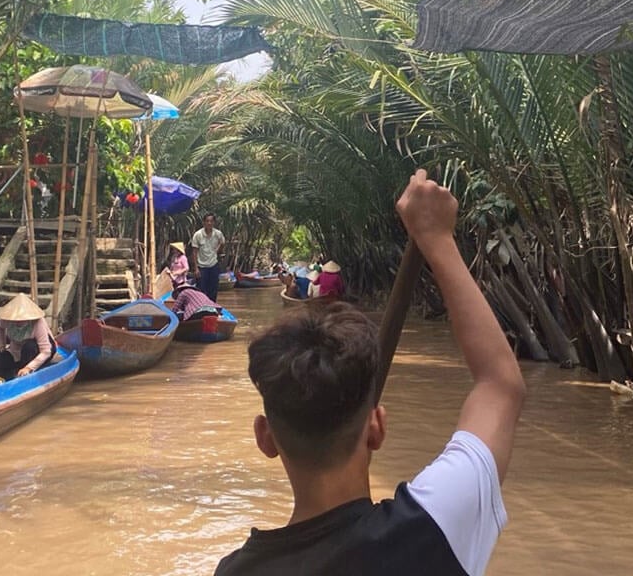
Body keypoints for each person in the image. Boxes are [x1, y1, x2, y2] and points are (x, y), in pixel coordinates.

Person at [215, 170, 525, 576]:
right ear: (377, 427)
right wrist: (437, 238)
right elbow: (501, 384)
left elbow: (499, 385)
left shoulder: (234, 572)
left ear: (265, 437)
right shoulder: (431, 527)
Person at [0, 293, 55, 381]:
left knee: (29, 347)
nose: (19, 321)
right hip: (17, 349)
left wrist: (28, 368)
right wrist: (2, 346)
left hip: (38, 350)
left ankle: (23, 374)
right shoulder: (6, 320)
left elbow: (46, 351)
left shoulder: (38, 322)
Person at [189, 212, 226, 301]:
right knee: (201, 289)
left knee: (213, 289)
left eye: (211, 221)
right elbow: (194, 252)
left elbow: (223, 242)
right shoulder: (198, 235)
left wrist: (217, 251)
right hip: (202, 266)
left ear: (214, 223)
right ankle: (201, 307)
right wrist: (196, 268)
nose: (209, 223)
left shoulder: (218, 234)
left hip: (213, 265)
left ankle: (212, 307)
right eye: (207, 221)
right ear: (204, 222)